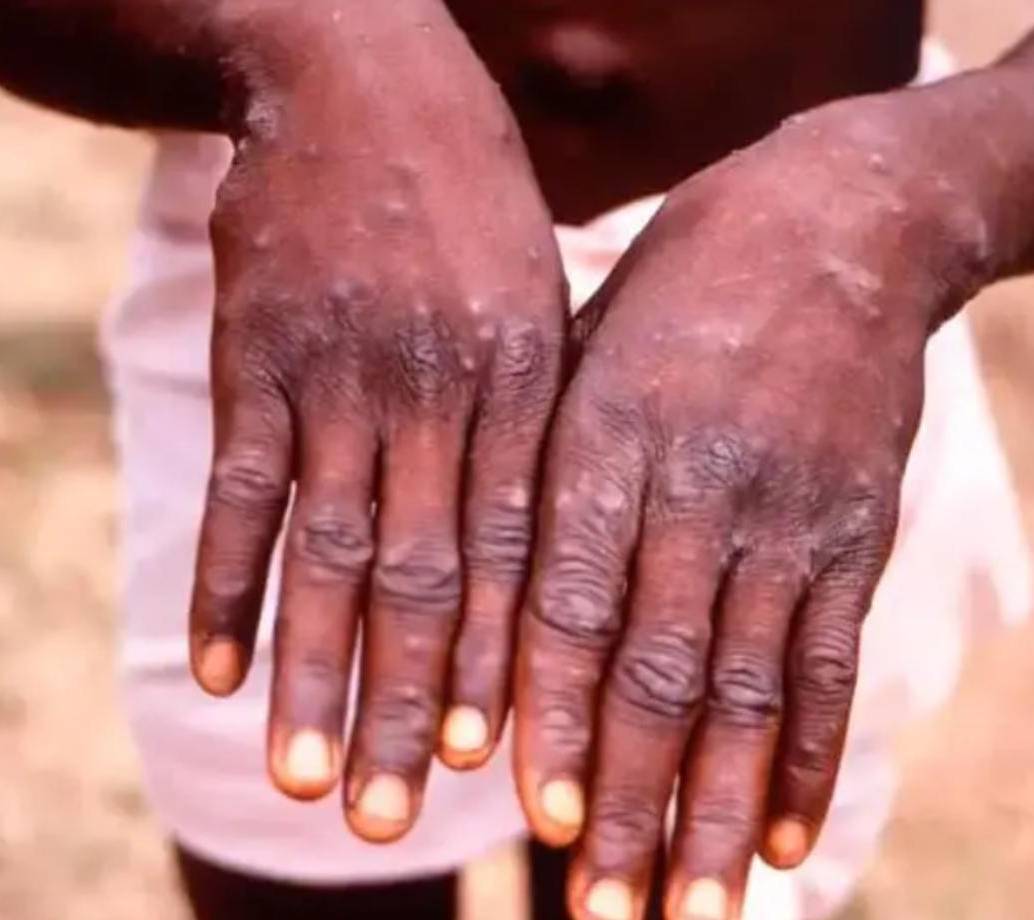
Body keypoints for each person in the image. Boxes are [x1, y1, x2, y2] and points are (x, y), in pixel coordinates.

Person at [1, 2, 1032, 919]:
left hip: (799, 313)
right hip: (324, 234)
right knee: (295, 853)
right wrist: (288, 31)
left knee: (689, 870)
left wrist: (913, 193)